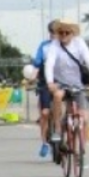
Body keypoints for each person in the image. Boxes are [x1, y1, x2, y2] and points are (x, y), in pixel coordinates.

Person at [45, 19, 89, 140]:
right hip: (60, 83)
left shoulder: (79, 43)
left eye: (67, 32)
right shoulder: (55, 44)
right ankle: (58, 129)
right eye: (61, 32)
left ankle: (81, 151)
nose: (64, 35)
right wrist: (50, 82)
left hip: (77, 84)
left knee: (84, 119)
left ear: (72, 33)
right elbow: (49, 64)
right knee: (57, 96)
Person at [31, 20, 59, 157]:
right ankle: (44, 143)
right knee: (45, 113)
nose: (57, 35)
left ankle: (64, 135)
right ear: (50, 33)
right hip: (45, 83)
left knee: (66, 111)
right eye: (54, 32)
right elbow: (37, 64)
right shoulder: (44, 47)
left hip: (62, 83)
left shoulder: (67, 46)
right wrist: (31, 77)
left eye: (59, 31)